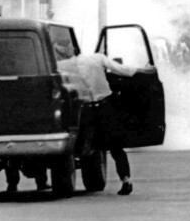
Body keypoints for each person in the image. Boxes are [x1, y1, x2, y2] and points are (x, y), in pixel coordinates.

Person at [56, 43, 156, 196]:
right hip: (105, 107)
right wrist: (142, 70)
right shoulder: (97, 59)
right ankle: (126, 180)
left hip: (85, 110)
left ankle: (73, 172)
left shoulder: (62, 66)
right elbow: (122, 70)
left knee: (79, 143)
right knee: (116, 146)